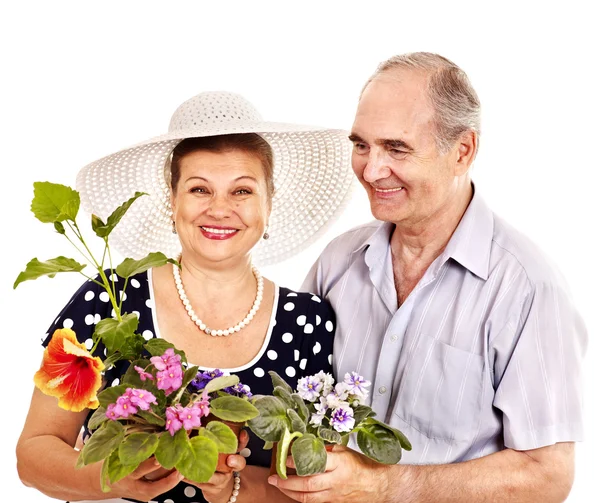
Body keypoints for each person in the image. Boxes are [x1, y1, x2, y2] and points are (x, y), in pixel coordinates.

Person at [268, 52, 588, 502]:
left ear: (463, 151)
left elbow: (547, 476)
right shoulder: (339, 260)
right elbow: (291, 404)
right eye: (361, 145)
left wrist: (385, 485)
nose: (372, 169)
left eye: (396, 148)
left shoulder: (529, 288)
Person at [16, 91, 355, 503]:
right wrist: (117, 479)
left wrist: (232, 487)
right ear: (172, 201)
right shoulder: (110, 302)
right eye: (199, 189)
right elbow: (34, 453)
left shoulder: (309, 321)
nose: (219, 209)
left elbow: (316, 487)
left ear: (269, 204)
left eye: (242, 191)